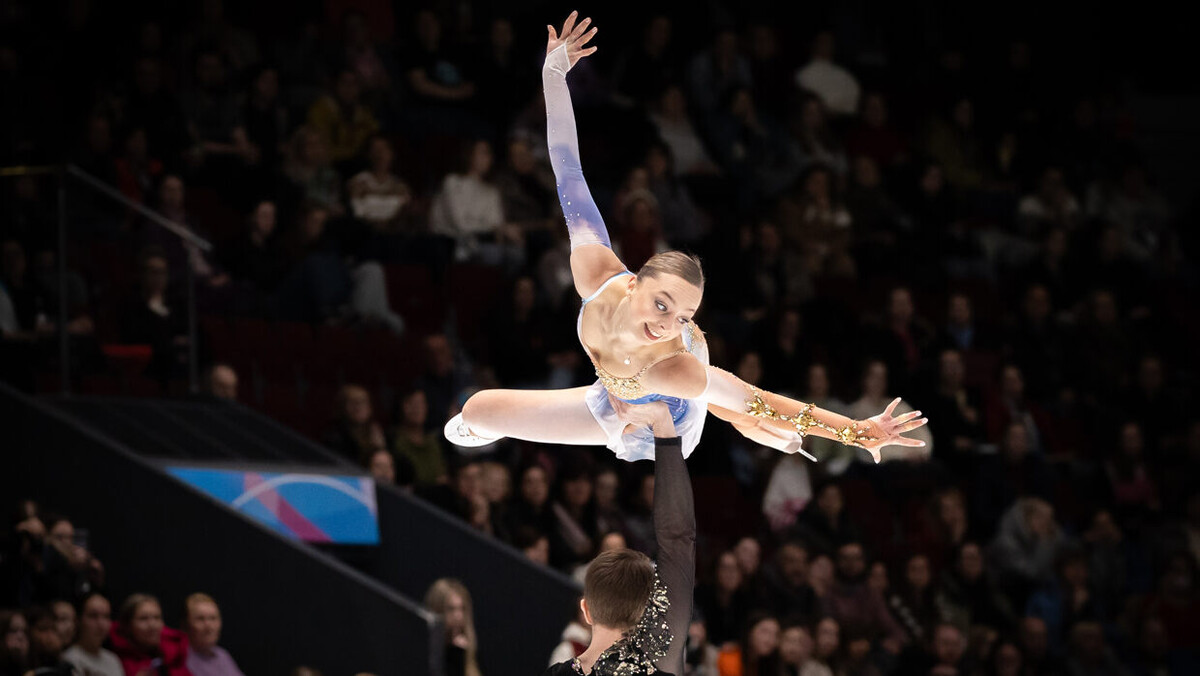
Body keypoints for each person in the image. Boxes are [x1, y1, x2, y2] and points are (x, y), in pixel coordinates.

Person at [446, 12, 928, 467]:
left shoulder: (673, 365)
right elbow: (567, 169)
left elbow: (766, 398)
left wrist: (857, 433)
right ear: (632, 281)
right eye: (663, 306)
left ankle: (743, 426)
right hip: (612, 395)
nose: (670, 324)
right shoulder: (595, 273)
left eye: (684, 317)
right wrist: (554, 74)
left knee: (744, 411)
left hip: (666, 424)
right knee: (478, 410)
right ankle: (746, 425)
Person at [544, 395, 695, 675]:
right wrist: (663, 423)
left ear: (586, 610)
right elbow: (678, 539)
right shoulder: (659, 661)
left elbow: (679, 540)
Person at [108, 594, 190, 676]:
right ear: (127, 625)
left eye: (157, 617)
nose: (152, 625)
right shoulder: (115, 660)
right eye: (143, 618)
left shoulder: (174, 655)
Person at [424, 579, 481, 676]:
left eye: (462, 609)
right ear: (437, 610)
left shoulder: (464, 652)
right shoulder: (425, 651)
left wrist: (459, 657)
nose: (458, 616)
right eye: (451, 609)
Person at [62, 593, 123, 676]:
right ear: (78, 620)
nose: (101, 624)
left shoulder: (113, 659)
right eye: (93, 616)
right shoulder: (69, 659)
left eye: (106, 616)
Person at [183, 594, 244, 676]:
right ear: (185, 624)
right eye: (200, 619)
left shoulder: (223, 656)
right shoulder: (180, 658)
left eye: (213, 618)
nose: (209, 626)